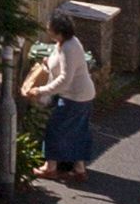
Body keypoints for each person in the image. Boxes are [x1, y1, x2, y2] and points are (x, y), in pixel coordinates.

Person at [22, 25, 98, 183]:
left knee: (54, 129)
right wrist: (47, 62)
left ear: (58, 31)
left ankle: (50, 168)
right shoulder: (68, 42)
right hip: (83, 94)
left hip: (74, 96)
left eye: (50, 28)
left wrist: (41, 90)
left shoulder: (68, 48)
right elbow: (58, 61)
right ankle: (79, 170)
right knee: (78, 131)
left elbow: (64, 80)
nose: (47, 30)